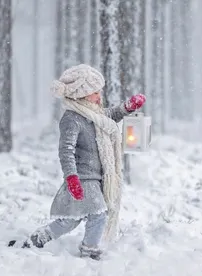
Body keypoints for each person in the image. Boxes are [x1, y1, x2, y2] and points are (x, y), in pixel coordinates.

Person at [8, 64, 146, 260]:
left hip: (96, 177)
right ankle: (89, 250)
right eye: (94, 93)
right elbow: (66, 150)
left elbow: (111, 116)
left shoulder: (95, 114)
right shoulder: (72, 119)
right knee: (98, 213)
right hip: (83, 178)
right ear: (81, 95)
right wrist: (71, 177)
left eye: (99, 92)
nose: (99, 96)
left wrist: (128, 107)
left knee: (70, 220)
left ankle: (37, 239)